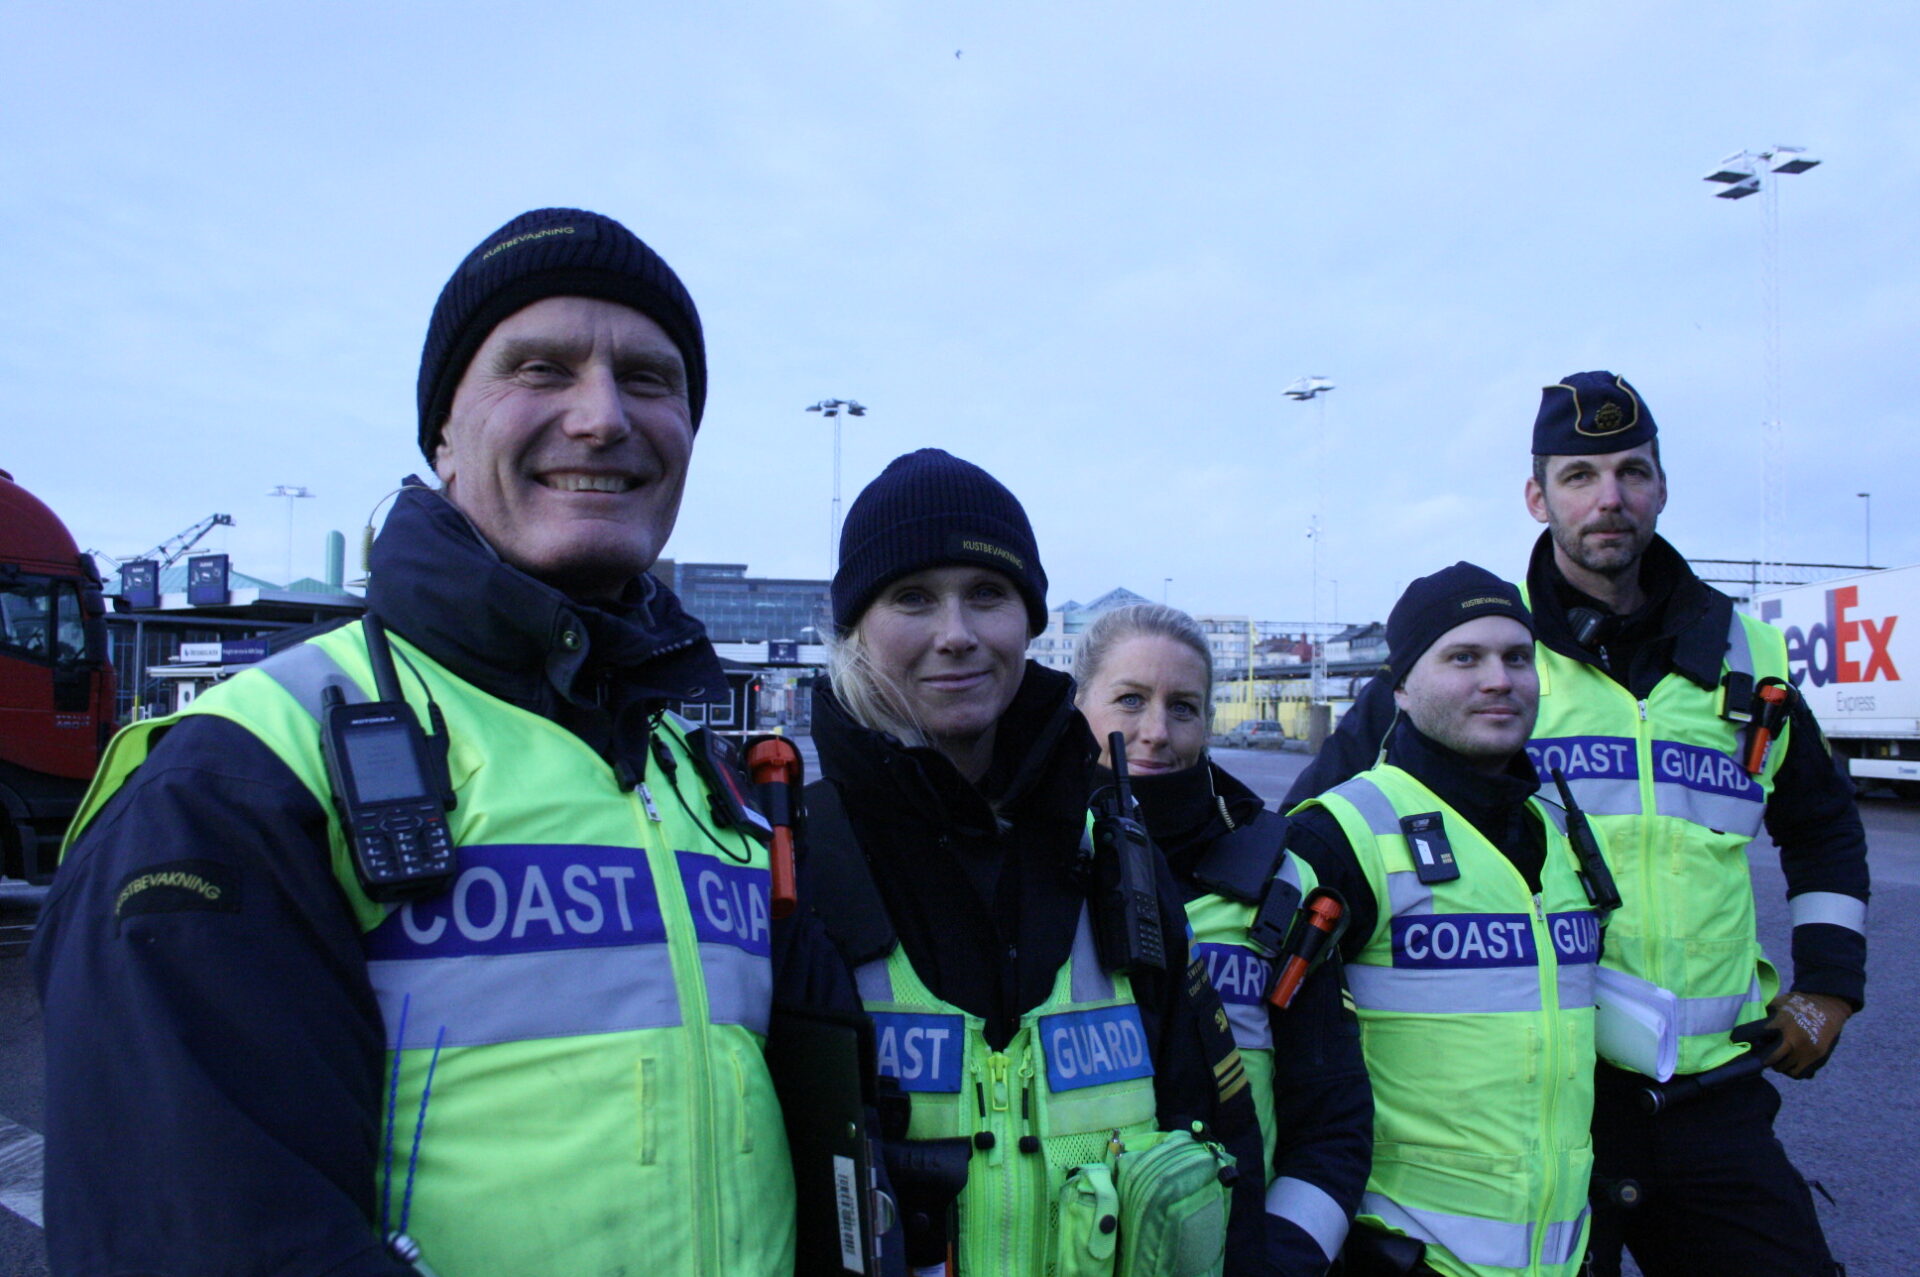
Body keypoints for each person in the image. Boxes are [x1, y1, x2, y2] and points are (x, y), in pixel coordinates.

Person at [32, 208, 859, 1276]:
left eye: (651, 379)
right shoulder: (240, 775)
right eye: (541, 367)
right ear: (441, 436)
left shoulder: (695, 780)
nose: (603, 415)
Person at [1285, 372, 1868, 1277]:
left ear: (1662, 487)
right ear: (1537, 495)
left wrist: (1829, 984)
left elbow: (1823, 824)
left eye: (1632, 472)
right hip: (1550, 1099)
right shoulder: (1483, 652)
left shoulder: (1746, 660)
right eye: (1580, 475)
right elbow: (1309, 835)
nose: (1610, 498)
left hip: (1712, 1093)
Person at [800, 448, 1263, 1276]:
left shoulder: (1114, 855)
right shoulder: (792, 861)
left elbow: (1220, 1146)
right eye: (912, 597)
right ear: (855, 630)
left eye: (988, 594)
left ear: (1029, 620)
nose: (957, 635)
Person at [1286, 564, 1606, 1277]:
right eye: (1464, 657)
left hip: (1562, 1255)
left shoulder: (1563, 834)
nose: (1499, 679)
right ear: (1400, 686)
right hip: (1405, 1259)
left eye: (1516, 657)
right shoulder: (1341, 834)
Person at [1073, 602, 1373, 1276]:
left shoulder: (1282, 880)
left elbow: (1334, 1117)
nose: (1154, 732)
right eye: (1129, 699)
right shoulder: (1022, 862)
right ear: (1078, 704)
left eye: (1183, 707)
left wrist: (1284, 1255)